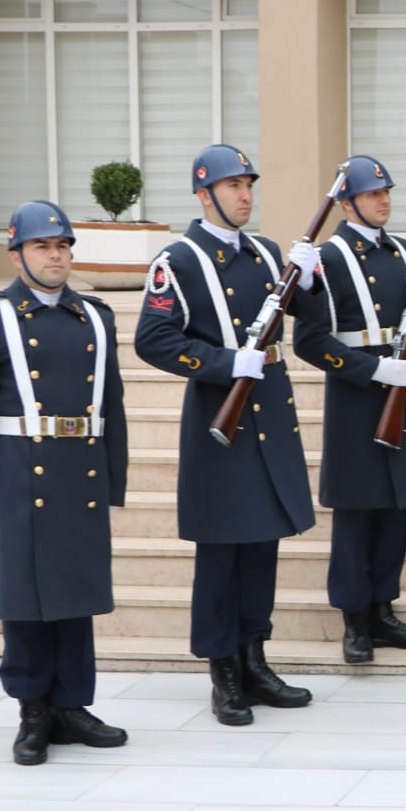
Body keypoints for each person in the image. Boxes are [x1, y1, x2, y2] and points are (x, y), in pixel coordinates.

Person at [136, 144, 319, 725]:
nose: (245, 196)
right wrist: (222, 363)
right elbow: (153, 339)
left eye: (248, 185)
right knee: (221, 553)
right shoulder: (179, 260)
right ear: (204, 193)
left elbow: (296, 317)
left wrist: (310, 281)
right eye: (233, 186)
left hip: (266, 418)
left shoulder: (265, 253)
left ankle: (254, 659)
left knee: (261, 545)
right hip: (221, 425)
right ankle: (223, 672)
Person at [0, 203, 129, 764]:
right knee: (25, 599)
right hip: (18, 469)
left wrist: (115, 482)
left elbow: (113, 406)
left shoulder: (95, 315)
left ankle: (72, 705)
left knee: (75, 591)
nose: (55, 257)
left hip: (81, 467)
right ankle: (33, 708)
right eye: (42, 247)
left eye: (62, 247)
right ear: (17, 253)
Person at [291, 155, 406, 665]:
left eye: (386, 192)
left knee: (399, 507)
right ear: (346, 201)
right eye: (372, 193)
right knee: (358, 511)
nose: (383, 200)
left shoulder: (405, 251)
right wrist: (369, 370)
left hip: (405, 389)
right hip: (360, 394)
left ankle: (383, 607)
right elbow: (310, 341)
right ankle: (355, 619)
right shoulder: (329, 259)